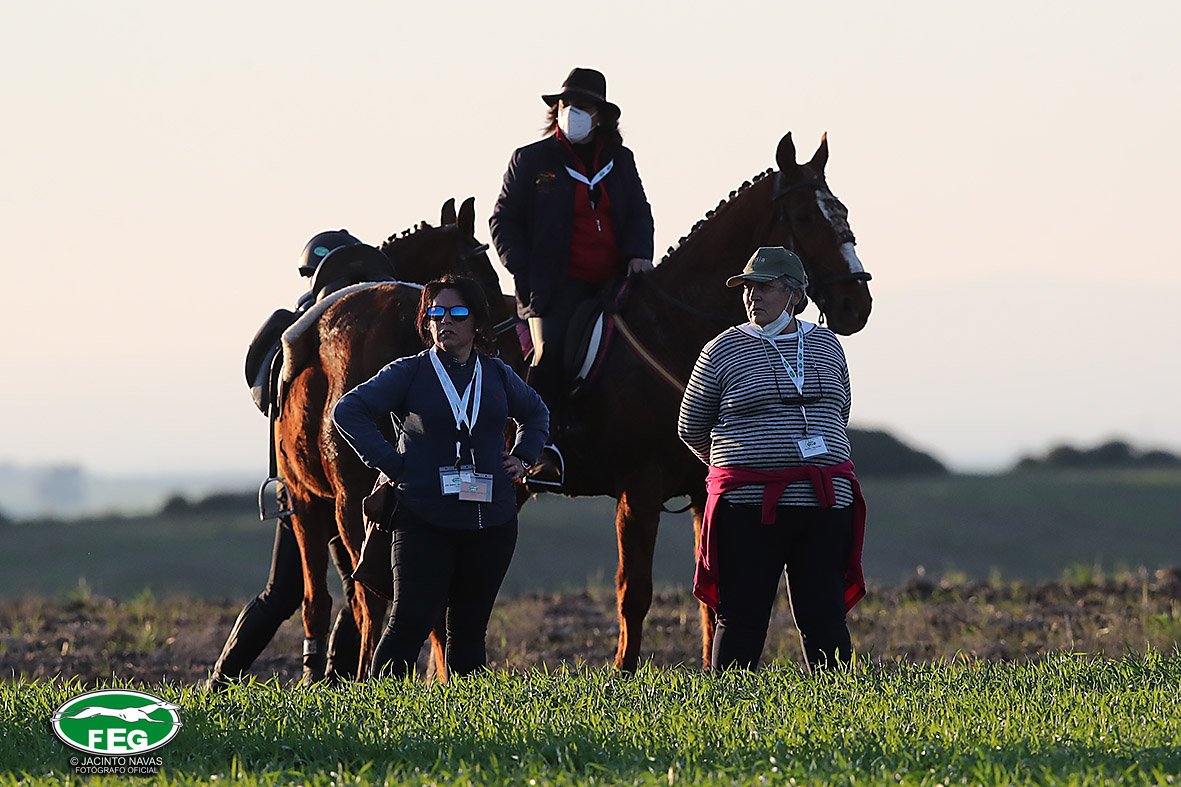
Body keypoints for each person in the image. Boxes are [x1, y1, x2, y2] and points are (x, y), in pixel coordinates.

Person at [332, 275, 549, 678]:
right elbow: (347, 411)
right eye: (436, 313)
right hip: (423, 520)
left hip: (492, 524)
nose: (445, 320)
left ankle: (465, 716)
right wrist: (393, 464)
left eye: (457, 312)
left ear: (477, 321)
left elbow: (536, 414)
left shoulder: (497, 373)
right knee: (408, 626)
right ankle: (382, 714)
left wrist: (524, 456)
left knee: (469, 634)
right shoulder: (410, 371)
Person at [677, 247, 867, 673]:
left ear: (795, 294)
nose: (752, 296)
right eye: (748, 288)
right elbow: (690, 426)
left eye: (764, 287)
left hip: (824, 505)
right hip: (748, 509)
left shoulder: (827, 345)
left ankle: (838, 705)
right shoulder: (721, 350)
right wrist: (738, 469)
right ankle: (727, 707)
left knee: (825, 618)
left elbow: (839, 412)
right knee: (741, 619)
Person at [209, 229, 367, 690]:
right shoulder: (313, 329)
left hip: (304, 482)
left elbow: (264, 397)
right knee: (339, 587)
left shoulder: (297, 328)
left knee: (288, 592)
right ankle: (327, 681)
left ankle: (228, 681)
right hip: (323, 485)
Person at [489, 67, 654, 487]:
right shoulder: (531, 160)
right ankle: (540, 450)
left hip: (615, 283)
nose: (573, 112)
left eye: (583, 106)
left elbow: (639, 212)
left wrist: (639, 255)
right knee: (548, 355)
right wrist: (526, 269)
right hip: (552, 288)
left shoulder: (620, 160)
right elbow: (503, 220)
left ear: (600, 116)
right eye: (567, 105)